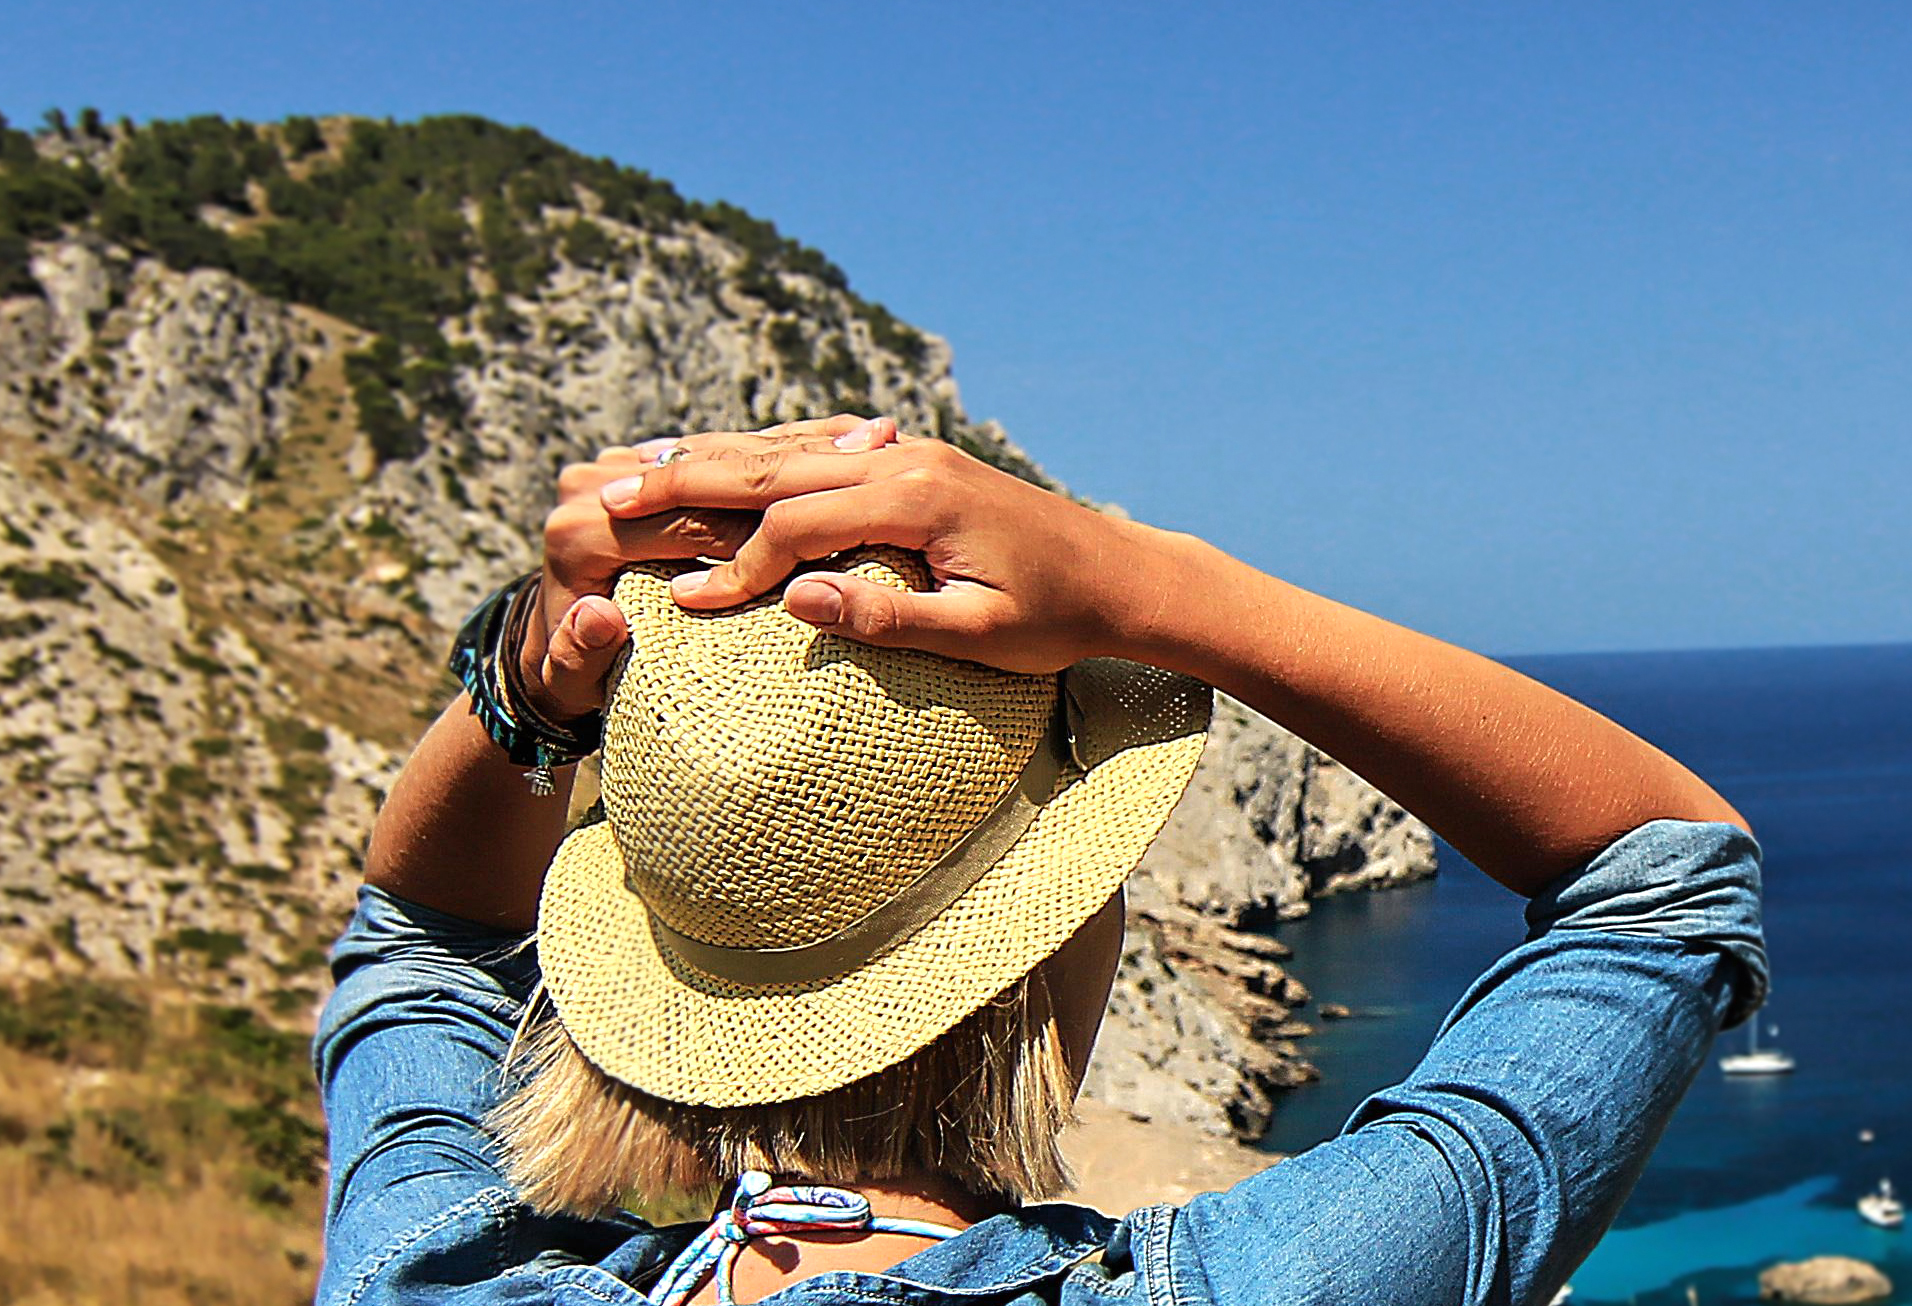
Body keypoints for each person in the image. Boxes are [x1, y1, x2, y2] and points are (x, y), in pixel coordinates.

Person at [315, 415, 1764, 1305]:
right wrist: (1149, 581)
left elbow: (425, 939)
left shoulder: (435, 1280)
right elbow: (1663, 876)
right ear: (1054, 924)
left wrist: (538, 659)